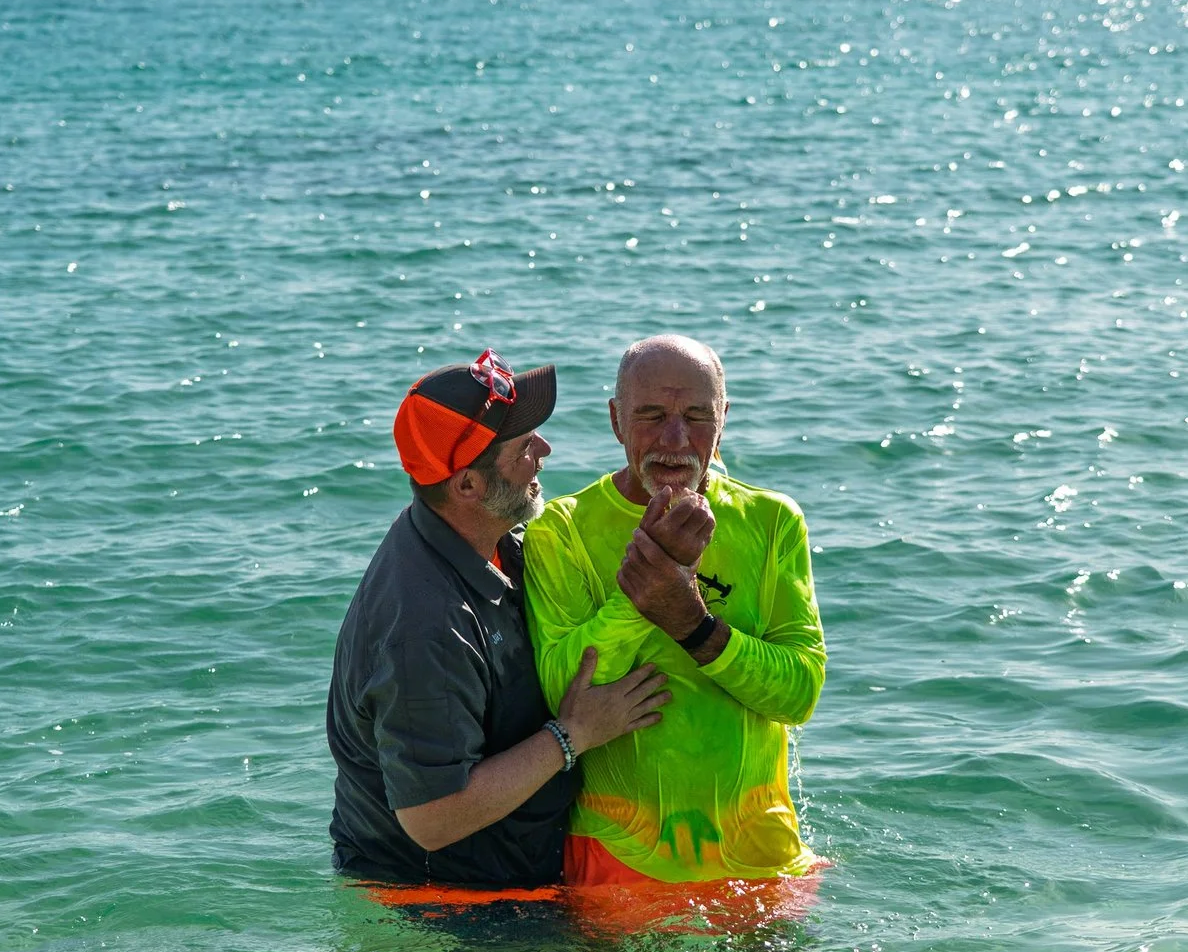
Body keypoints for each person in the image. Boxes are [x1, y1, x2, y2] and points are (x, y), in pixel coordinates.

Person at [327, 351, 669, 889]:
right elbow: (432, 818)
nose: (545, 449)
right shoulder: (425, 625)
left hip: (510, 880)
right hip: (444, 906)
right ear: (467, 486)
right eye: (523, 446)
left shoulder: (481, 538)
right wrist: (574, 734)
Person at [523, 335, 826, 885]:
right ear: (616, 420)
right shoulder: (562, 530)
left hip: (761, 848)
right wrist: (647, 585)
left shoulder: (771, 521)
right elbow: (563, 688)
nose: (674, 439)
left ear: (723, 418)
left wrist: (693, 624)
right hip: (620, 852)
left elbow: (800, 693)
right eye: (652, 415)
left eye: (696, 416)